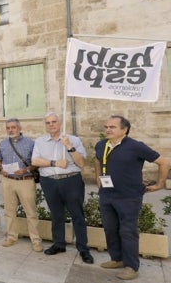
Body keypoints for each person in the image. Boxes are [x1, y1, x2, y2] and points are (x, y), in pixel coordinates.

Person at [94, 115, 169, 281]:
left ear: (124, 130)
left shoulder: (136, 146)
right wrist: (98, 178)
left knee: (128, 232)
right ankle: (117, 259)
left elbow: (163, 163)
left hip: (129, 197)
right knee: (110, 229)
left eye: (112, 127)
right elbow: (98, 161)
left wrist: (159, 184)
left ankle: (131, 267)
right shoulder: (101, 145)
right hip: (106, 195)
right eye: (106, 126)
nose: (107, 129)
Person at [31, 112, 93, 264]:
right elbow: (35, 160)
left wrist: (69, 147)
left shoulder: (73, 140)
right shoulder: (39, 141)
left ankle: (83, 249)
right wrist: (54, 163)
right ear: (45, 125)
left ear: (60, 123)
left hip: (71, 180)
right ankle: (59, 244)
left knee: (77, 215)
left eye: (54, 122)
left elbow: (81, 163)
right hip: (49, 181)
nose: (51, 125)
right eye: (48, 123)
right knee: (56, 215)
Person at [0, 118, 42, 252]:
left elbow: (36, 162)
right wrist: (1, 168)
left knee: (31, 212)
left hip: (25, 181)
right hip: (8, 180)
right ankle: (11, 237)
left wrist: (26, 170)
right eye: (8, 128)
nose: (10, 130)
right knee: (9, 212)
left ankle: (36, 240)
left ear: (20, 128)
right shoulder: (3, 143)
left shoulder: (30, 143)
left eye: (13, 127)